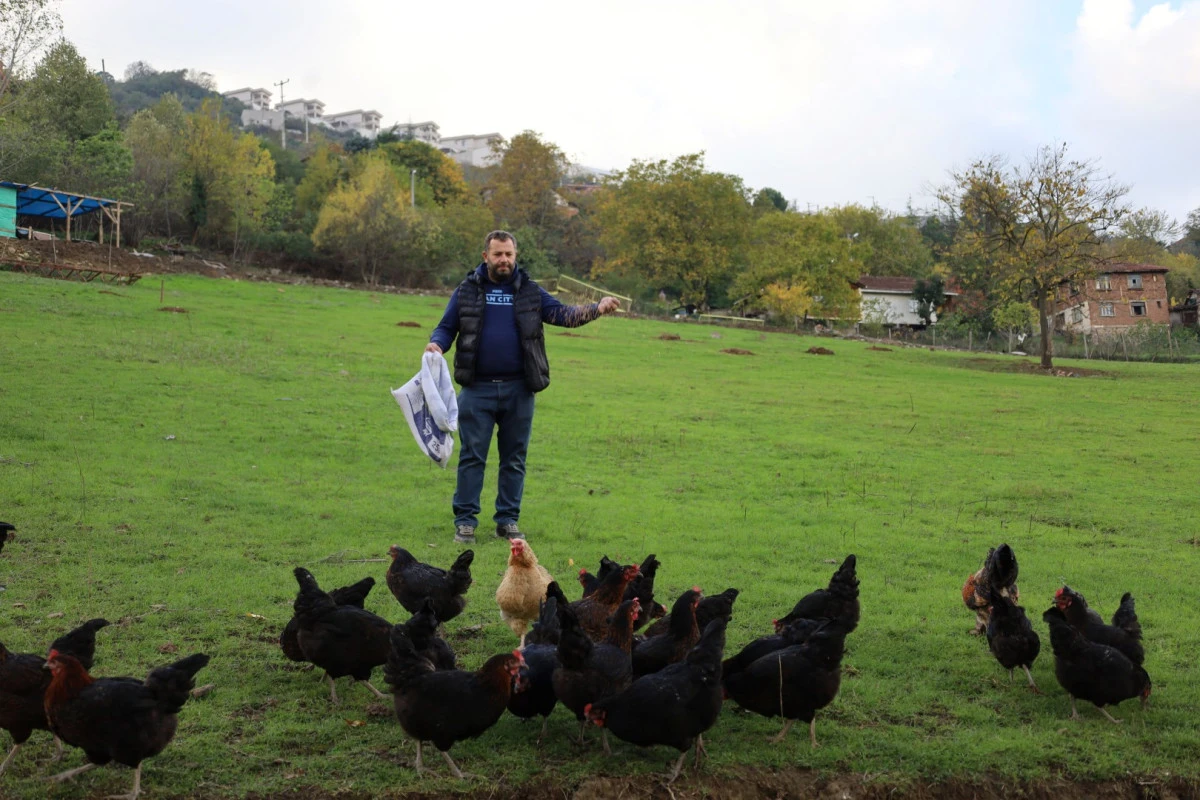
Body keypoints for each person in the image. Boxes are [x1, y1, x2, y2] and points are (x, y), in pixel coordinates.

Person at [425, 231, 620, 545]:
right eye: (498, 254)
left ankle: (507, 521)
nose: (504, 260)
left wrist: (596, 308)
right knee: (473, 457)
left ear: (516, 256)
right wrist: (437, 344)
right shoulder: (466, 291)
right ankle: (465, 522)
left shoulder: (530, 292)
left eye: (509, 255)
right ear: (485, 255)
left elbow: (562, 315)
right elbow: (447, 326)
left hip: (520, 389)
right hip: (478, 389)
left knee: (514, 458)